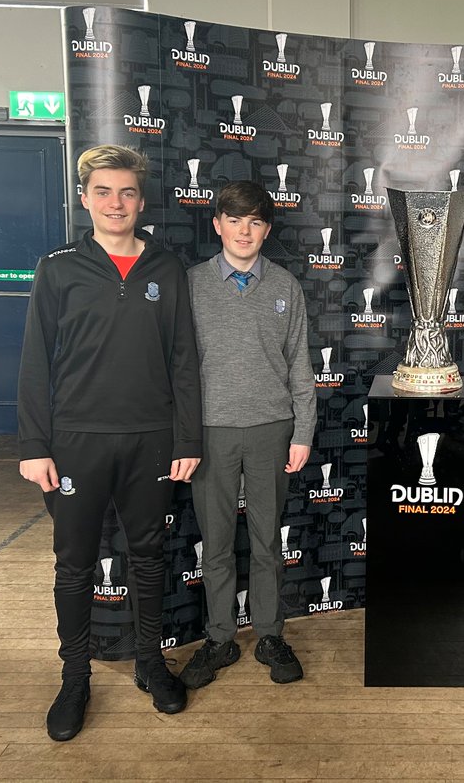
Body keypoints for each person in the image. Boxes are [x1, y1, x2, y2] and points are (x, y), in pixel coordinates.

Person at [17, 144, 202, 741]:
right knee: (73, 565)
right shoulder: (59, 266)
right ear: (84, 198)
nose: (115, 203)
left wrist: (187, 438)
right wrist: (33, 445)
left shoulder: (166, 267)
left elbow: (183, 359)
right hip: (75, 442)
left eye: (126, 192)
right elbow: (34, 364)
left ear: (141, 201)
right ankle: (75, 678)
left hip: (151, 440)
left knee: (148, 557)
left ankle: (151, 663)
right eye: (103, 191)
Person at [179, 181, 315, 687]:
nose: (244, 231)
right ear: (216, 224)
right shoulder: (189, 285)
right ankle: (218, 639)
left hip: (270, 430)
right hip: (210, 432)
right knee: (214, 544)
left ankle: (270, 635)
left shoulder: (285, 287)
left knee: (265, 543)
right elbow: (177, 370)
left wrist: (302, 432)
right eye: (234, 220)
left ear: (267, 230)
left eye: (255, 222)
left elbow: (300, 366)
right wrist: (183, 437)